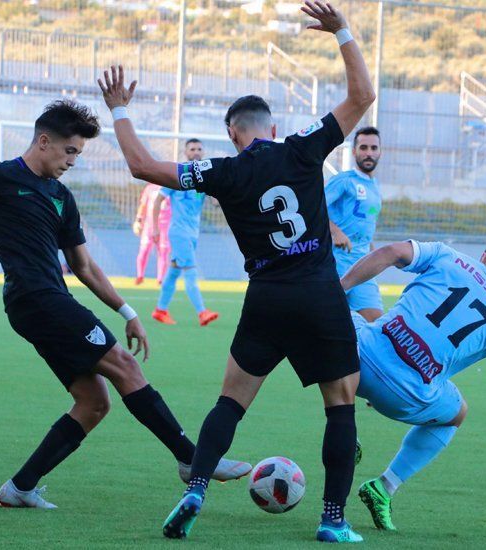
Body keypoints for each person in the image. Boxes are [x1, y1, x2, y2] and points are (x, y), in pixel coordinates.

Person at [0, 100, 250, 510]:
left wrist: (128, 312)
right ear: (43, 141)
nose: (73, 161)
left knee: (94, 403)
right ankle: (190, 459)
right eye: (70, 151)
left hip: (47, 301)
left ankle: (20, 487)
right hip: (34, 298)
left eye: (79, 154)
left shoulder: (61, 197)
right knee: (125, 366)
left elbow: (84, 267)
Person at [98, 1, 375, 541]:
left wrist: (120, 111)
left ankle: (197, 487)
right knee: (339, 404)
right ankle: (333, 521)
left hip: (267, 297)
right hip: (319, 293)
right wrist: (342, 30)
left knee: (231, 401)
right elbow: (362, 96)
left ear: (233, 134)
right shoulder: (302, 148)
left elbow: (141, 166)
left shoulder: (221, 171)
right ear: (271, 127)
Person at [342, 239, 486, 530]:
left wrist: (339, 288)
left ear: (483, 257)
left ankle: (342, 428)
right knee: (457, 413)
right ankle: (386, 486)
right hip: (404, 398)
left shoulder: (447, 256)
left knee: (339, 316)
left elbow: (392, 252)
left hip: (356, 361)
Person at [150, 139, 219, 326]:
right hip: (179, 233)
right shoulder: (177, 175)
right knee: (190, 271)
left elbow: (215, 201)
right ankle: (202, 312)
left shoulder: (205, 177)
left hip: (193, 233)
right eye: (192, 149)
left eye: (199, 149)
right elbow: (158, 201)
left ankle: (160, 310)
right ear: (186, 152)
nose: (196, 152)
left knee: (173, 273)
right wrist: (155, 227)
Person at [326, 126, 383, 321]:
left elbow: (367, 220)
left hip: (363, 264)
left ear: (380, 152)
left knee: (375, 323)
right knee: (325, 322)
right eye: (364, 147)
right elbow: (314, 208)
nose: (369, 153)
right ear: (354, 152)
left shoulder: (375, 187)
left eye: (374, 148)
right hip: (336, 263)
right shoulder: (344, 181)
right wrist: (335, 232)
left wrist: (371, 247)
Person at [133, 183, 171, 285]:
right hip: (149, 225)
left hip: (165, 226)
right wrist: (139, 220)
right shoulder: (150, 188)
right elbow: (143, 205)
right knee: (144, 250)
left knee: (163, 252)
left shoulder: (170, 186)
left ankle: (161, 279)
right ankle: (140, 275)